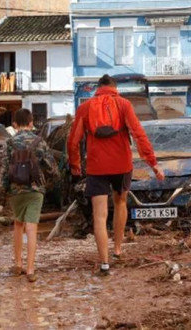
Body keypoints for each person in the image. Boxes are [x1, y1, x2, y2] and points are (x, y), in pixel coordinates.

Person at [67, 74, 165, 276]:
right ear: (114, 87)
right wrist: (153, 164)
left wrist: (75, 165)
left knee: (100, 216)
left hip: (97, 167)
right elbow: (138, 134)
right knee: (120, 203)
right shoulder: (124, 105)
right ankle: (118, 248)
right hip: (122, 164)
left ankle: (104, 263)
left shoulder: (85, 108)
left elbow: (73, 141)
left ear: (98, 88)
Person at [2, 108, 59, 282]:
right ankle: (30, 269)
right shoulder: (39, 142)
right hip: (35, 190)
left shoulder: (11, 143)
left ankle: (18, 264)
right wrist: (49, 183)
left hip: (16, 190)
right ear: (31, 122)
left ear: (15, 124)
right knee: (32, 227)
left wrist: (5, 189)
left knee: (18, 225)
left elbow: (4, 170)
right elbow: (52, 168)